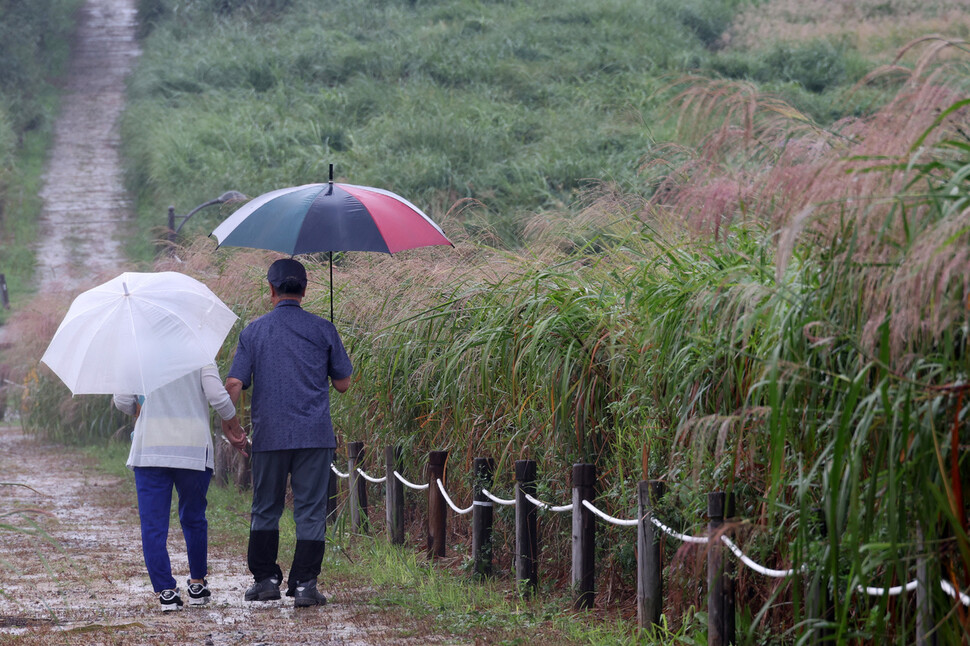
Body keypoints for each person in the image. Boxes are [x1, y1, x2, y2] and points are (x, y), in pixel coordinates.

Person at [224, 258, 353, 609]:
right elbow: (342, 383)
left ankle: (266, 580)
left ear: (270, 290)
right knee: (310, 511)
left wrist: (229, 424)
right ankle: (305, 585)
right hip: (314, 435)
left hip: (270, 437)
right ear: (305, 290)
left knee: (266, 507)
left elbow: (235, 382)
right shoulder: (324, 329)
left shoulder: (253, 331)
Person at [114, 365, 248, 611]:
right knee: (194, 517)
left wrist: (139, 410)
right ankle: (197, 584)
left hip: (151, 450)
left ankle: (166, 591)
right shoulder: (198, 349)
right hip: (192, 448)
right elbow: (218, 397)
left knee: (153, 524)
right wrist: (233, 423)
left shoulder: (138, 351)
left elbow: (122, 399)